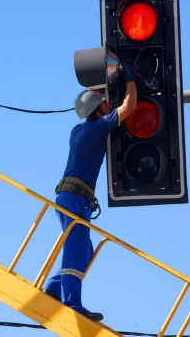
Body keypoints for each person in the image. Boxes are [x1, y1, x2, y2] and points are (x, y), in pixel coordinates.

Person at [44, 66, 137, 321]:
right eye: (105, 102)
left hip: (69, 197)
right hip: (75, 199)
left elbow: (90, 98)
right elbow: (129, 107)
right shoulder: (98, 127)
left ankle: (53, 289)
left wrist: (103, 79)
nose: (109, 104)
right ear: (98, 110)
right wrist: (129, 77)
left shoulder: (78, 130)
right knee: (76, 248)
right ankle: (72, 303)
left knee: (84, 249)